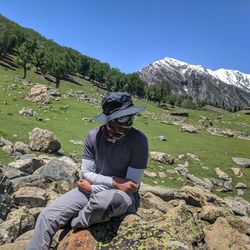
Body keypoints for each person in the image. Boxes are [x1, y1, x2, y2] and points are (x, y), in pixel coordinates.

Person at [26, 92, 148, 250]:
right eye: (123, 118)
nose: (128, 122)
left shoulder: (139, 141)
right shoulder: (93, 136)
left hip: (121, 196)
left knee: (104, 203)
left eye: (130, 116)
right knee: (46, 216)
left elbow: (130, 186)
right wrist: (112, 182)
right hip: (91, 190)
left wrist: (93, 188)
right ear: (109, 119)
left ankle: (74, 222)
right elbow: (86, 173)